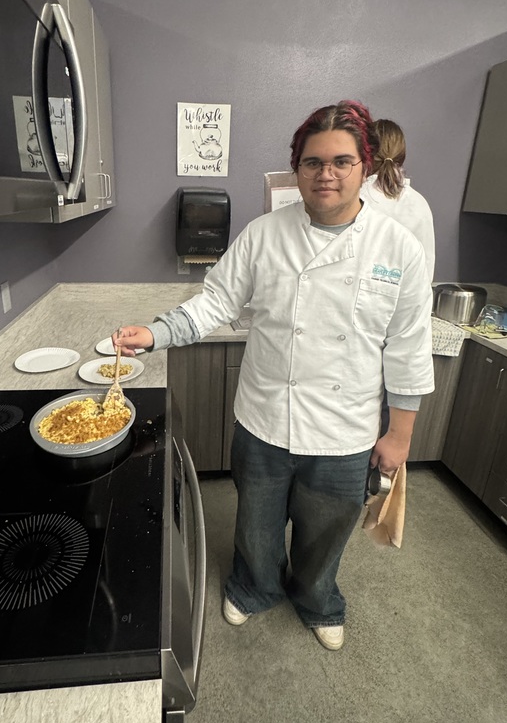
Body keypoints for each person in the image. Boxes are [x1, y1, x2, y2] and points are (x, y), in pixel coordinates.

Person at [113, 101, 434, 651]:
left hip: (345, 428)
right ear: (296, 168)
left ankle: (317, 598)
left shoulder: (398, 248)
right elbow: (216, 301)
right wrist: (157, 332)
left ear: (365, 165)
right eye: (312, 162)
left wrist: (400, 435)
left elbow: (408, 347)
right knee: (256, 522)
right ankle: (254, 586)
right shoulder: (264, 234)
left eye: (341, 161)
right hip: (264, 418)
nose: (326, 174)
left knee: (326, 529)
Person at [360, 118, 436, 281]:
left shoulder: (353, 196)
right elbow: (425, 271)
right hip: (403, 292)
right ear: (402, 156)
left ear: (364, 152)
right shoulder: (418, 203)